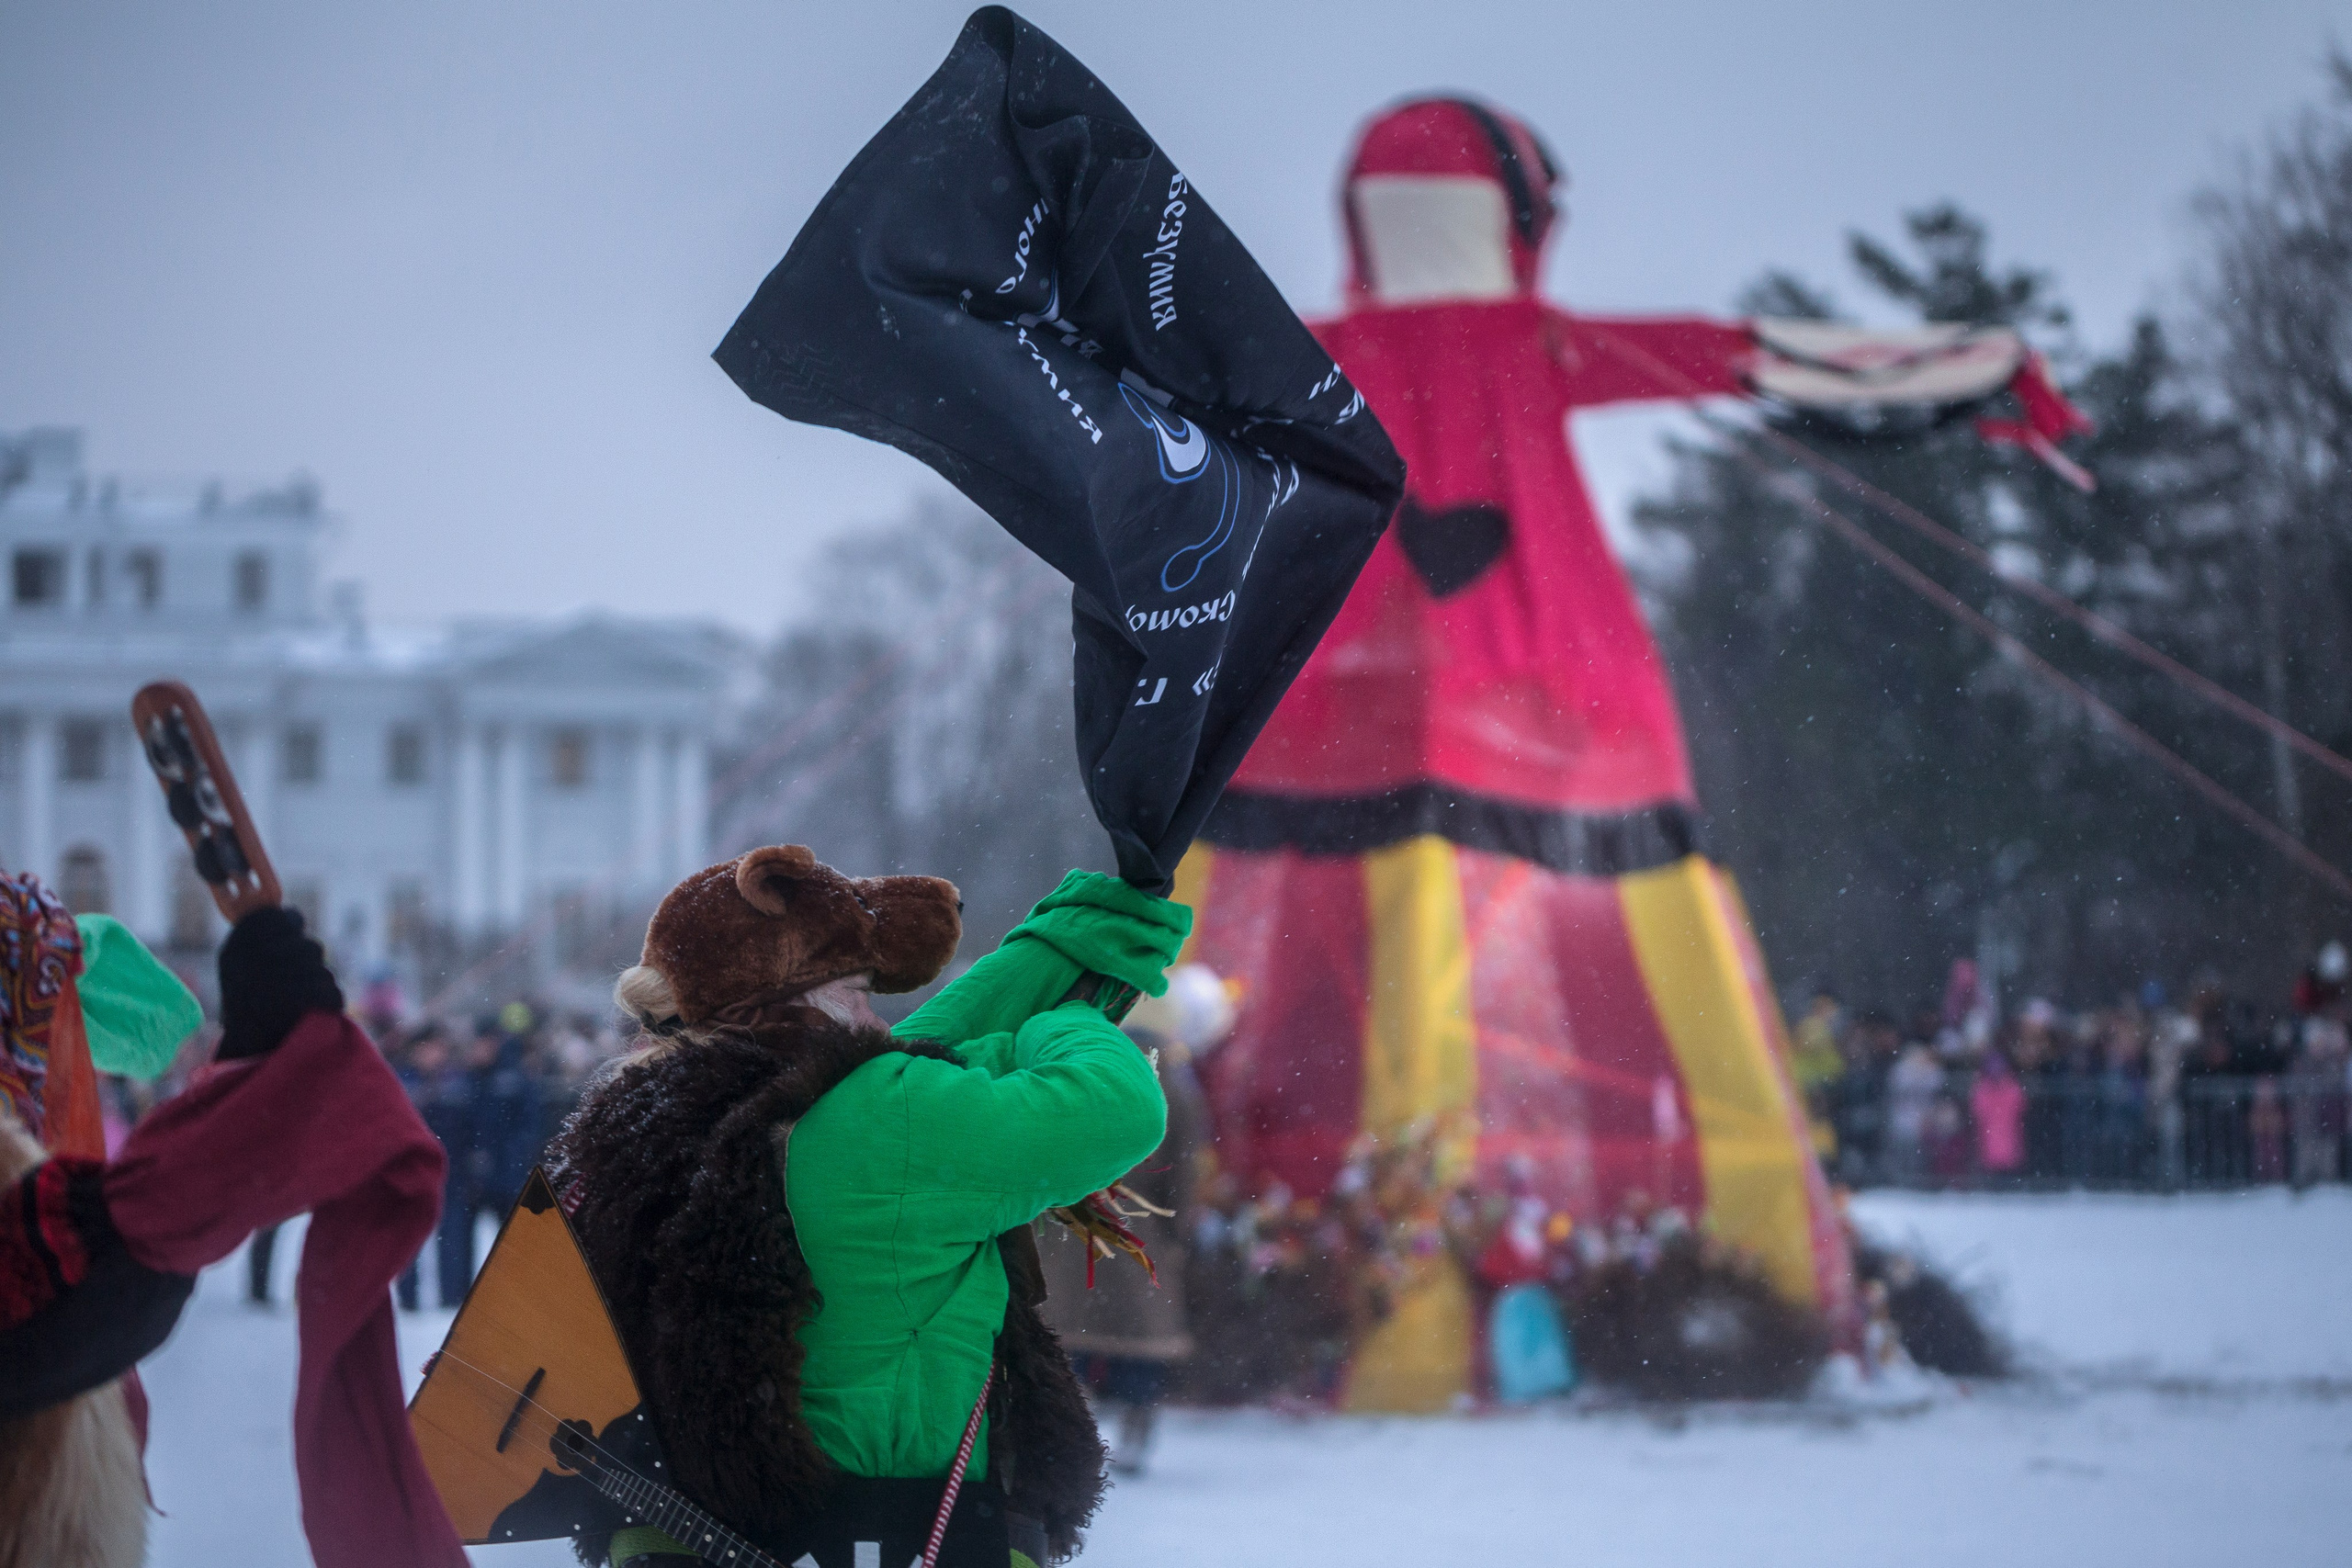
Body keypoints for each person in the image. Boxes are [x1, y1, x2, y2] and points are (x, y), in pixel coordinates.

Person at [548, 847, 1186, 1568]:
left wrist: (1069, 940)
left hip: (682, 1532)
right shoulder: (877, 1117)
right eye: (858, 993)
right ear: (785, 1007)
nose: (879, 1023)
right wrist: (1065, 1018)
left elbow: (920, 1047)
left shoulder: (659, 1109)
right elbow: (1118, 1109)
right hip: (883, 1529)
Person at [1039, 962, 1226, 1473]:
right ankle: (1136, 1433)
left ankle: (1062, 1434)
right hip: (1142, 1226)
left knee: (1066, 1339)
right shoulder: (1173, 1078)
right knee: (1142, 1342)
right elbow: (1185, 1165)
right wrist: (1178, 1229)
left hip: (1072, 1221)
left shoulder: (1082, 1061)